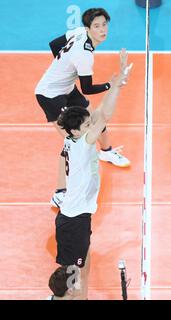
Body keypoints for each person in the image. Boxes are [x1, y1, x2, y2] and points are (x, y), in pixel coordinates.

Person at [50, 49, 132, 300]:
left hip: (76, 216)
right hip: (74, 219)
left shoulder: (74, 138)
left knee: (80, 268)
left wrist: (116, 84)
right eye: (86, 126)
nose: (92, 128)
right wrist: (116, 86)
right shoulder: (83, 142)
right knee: (75, 274)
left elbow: (99, 115)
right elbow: (104, 116)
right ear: (76, 131)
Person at [35, 8, 130, 208]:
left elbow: (54, 44)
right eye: (97, 26)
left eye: (104, 24)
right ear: (89, 28)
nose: (102, 30)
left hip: (67, 88)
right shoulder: (84, 55)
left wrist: (64, 68)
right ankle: (59, 192)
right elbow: (87, 87)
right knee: (72, 141)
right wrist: (110, 85)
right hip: (50, 94)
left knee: (92, 117)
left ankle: (106, 151)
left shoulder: (78, 32)